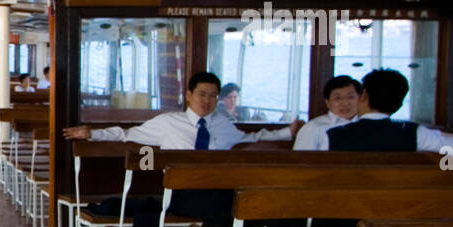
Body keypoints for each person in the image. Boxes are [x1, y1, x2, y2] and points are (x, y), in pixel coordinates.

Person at [63, 71, 301, 149]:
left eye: (212, 96)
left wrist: (286, 133)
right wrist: (92, 133)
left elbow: (252, 137)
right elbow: (128, 133)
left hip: (216, 187)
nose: (207, 101)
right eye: (201, 94)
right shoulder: (168, 122)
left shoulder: (222, 124)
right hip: (179, 189)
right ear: (188, 96)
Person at [317, 68, 453, 162]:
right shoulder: (414, 133)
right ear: (399, 104)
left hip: (339, 223)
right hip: (394, 215)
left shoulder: (332, 136)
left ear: (364, 96)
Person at [292, 75, 361, 150]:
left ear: (360, 99)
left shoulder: (366, 126)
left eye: (350, 97)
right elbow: (300, 160)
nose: (345, 103)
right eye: (337, 98)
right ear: (328, 103)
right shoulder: (313, 127)